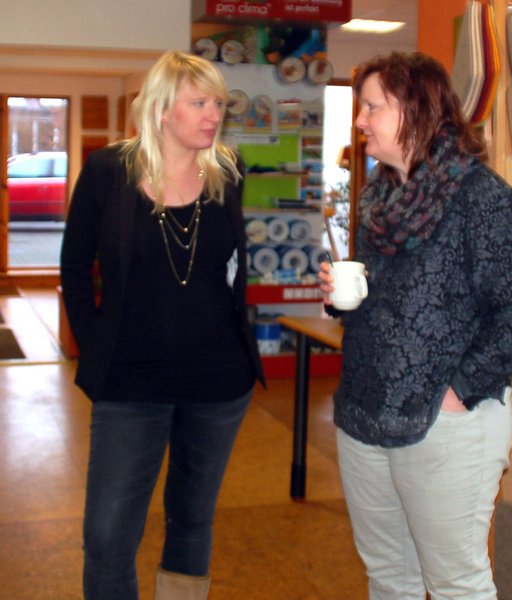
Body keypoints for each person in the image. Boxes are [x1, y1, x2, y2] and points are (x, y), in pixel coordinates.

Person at [318, 52, 512, 600]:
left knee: (454, 584)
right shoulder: (378, 198)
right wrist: (343, 299)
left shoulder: (484, 200)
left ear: (415, 108)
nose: (361, 121)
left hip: (444, 423)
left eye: (372, 107)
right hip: (366, 411)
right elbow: (385, 300)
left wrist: (457, 393)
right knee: (389, 578)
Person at [60, 50, 264, 600]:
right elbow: (75, 268)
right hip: (130, 383)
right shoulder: (108, 172)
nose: (214, 114)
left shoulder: (228, 171)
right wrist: (95, 345)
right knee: (107, 537)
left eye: (218, 103)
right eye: (199, 103)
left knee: (192, 521)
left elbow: (230, 267)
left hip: (217, 383)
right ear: (160, 109)